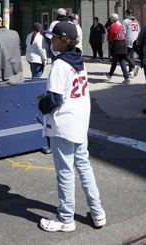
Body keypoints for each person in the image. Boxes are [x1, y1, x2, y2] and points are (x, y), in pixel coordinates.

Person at [37, 20, 106, 232]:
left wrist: (41, 103)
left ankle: (66, 218)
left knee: (65, 172)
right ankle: (97, 212)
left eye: (54, 38)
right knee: (84, 167)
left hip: (64, 123)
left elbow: (55, 99)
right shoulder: (79, 59)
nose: (51, 41)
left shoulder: (60, 64)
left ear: (63, 40)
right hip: (79, 120)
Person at [105, 14, 130, 84]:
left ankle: (127, 78)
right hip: (123, 43)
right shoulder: (120, 25)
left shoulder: (113, 25)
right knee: (115, 60)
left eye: (111, 18)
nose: (110, 19)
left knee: (121, 60)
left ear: (113, 19)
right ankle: (110, 74)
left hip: (117, 44)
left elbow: (111, 35)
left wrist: (109, 40)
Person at [123, 10, 141, 77]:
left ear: (127, 13)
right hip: (136, 39)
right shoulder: (136, 21)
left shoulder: (125, 21)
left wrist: (123, 40)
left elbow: (124, 32)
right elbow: (139, 30)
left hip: (129, 39)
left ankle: (133, 66)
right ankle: (131, 71)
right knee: (131, 56)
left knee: (125, 55)